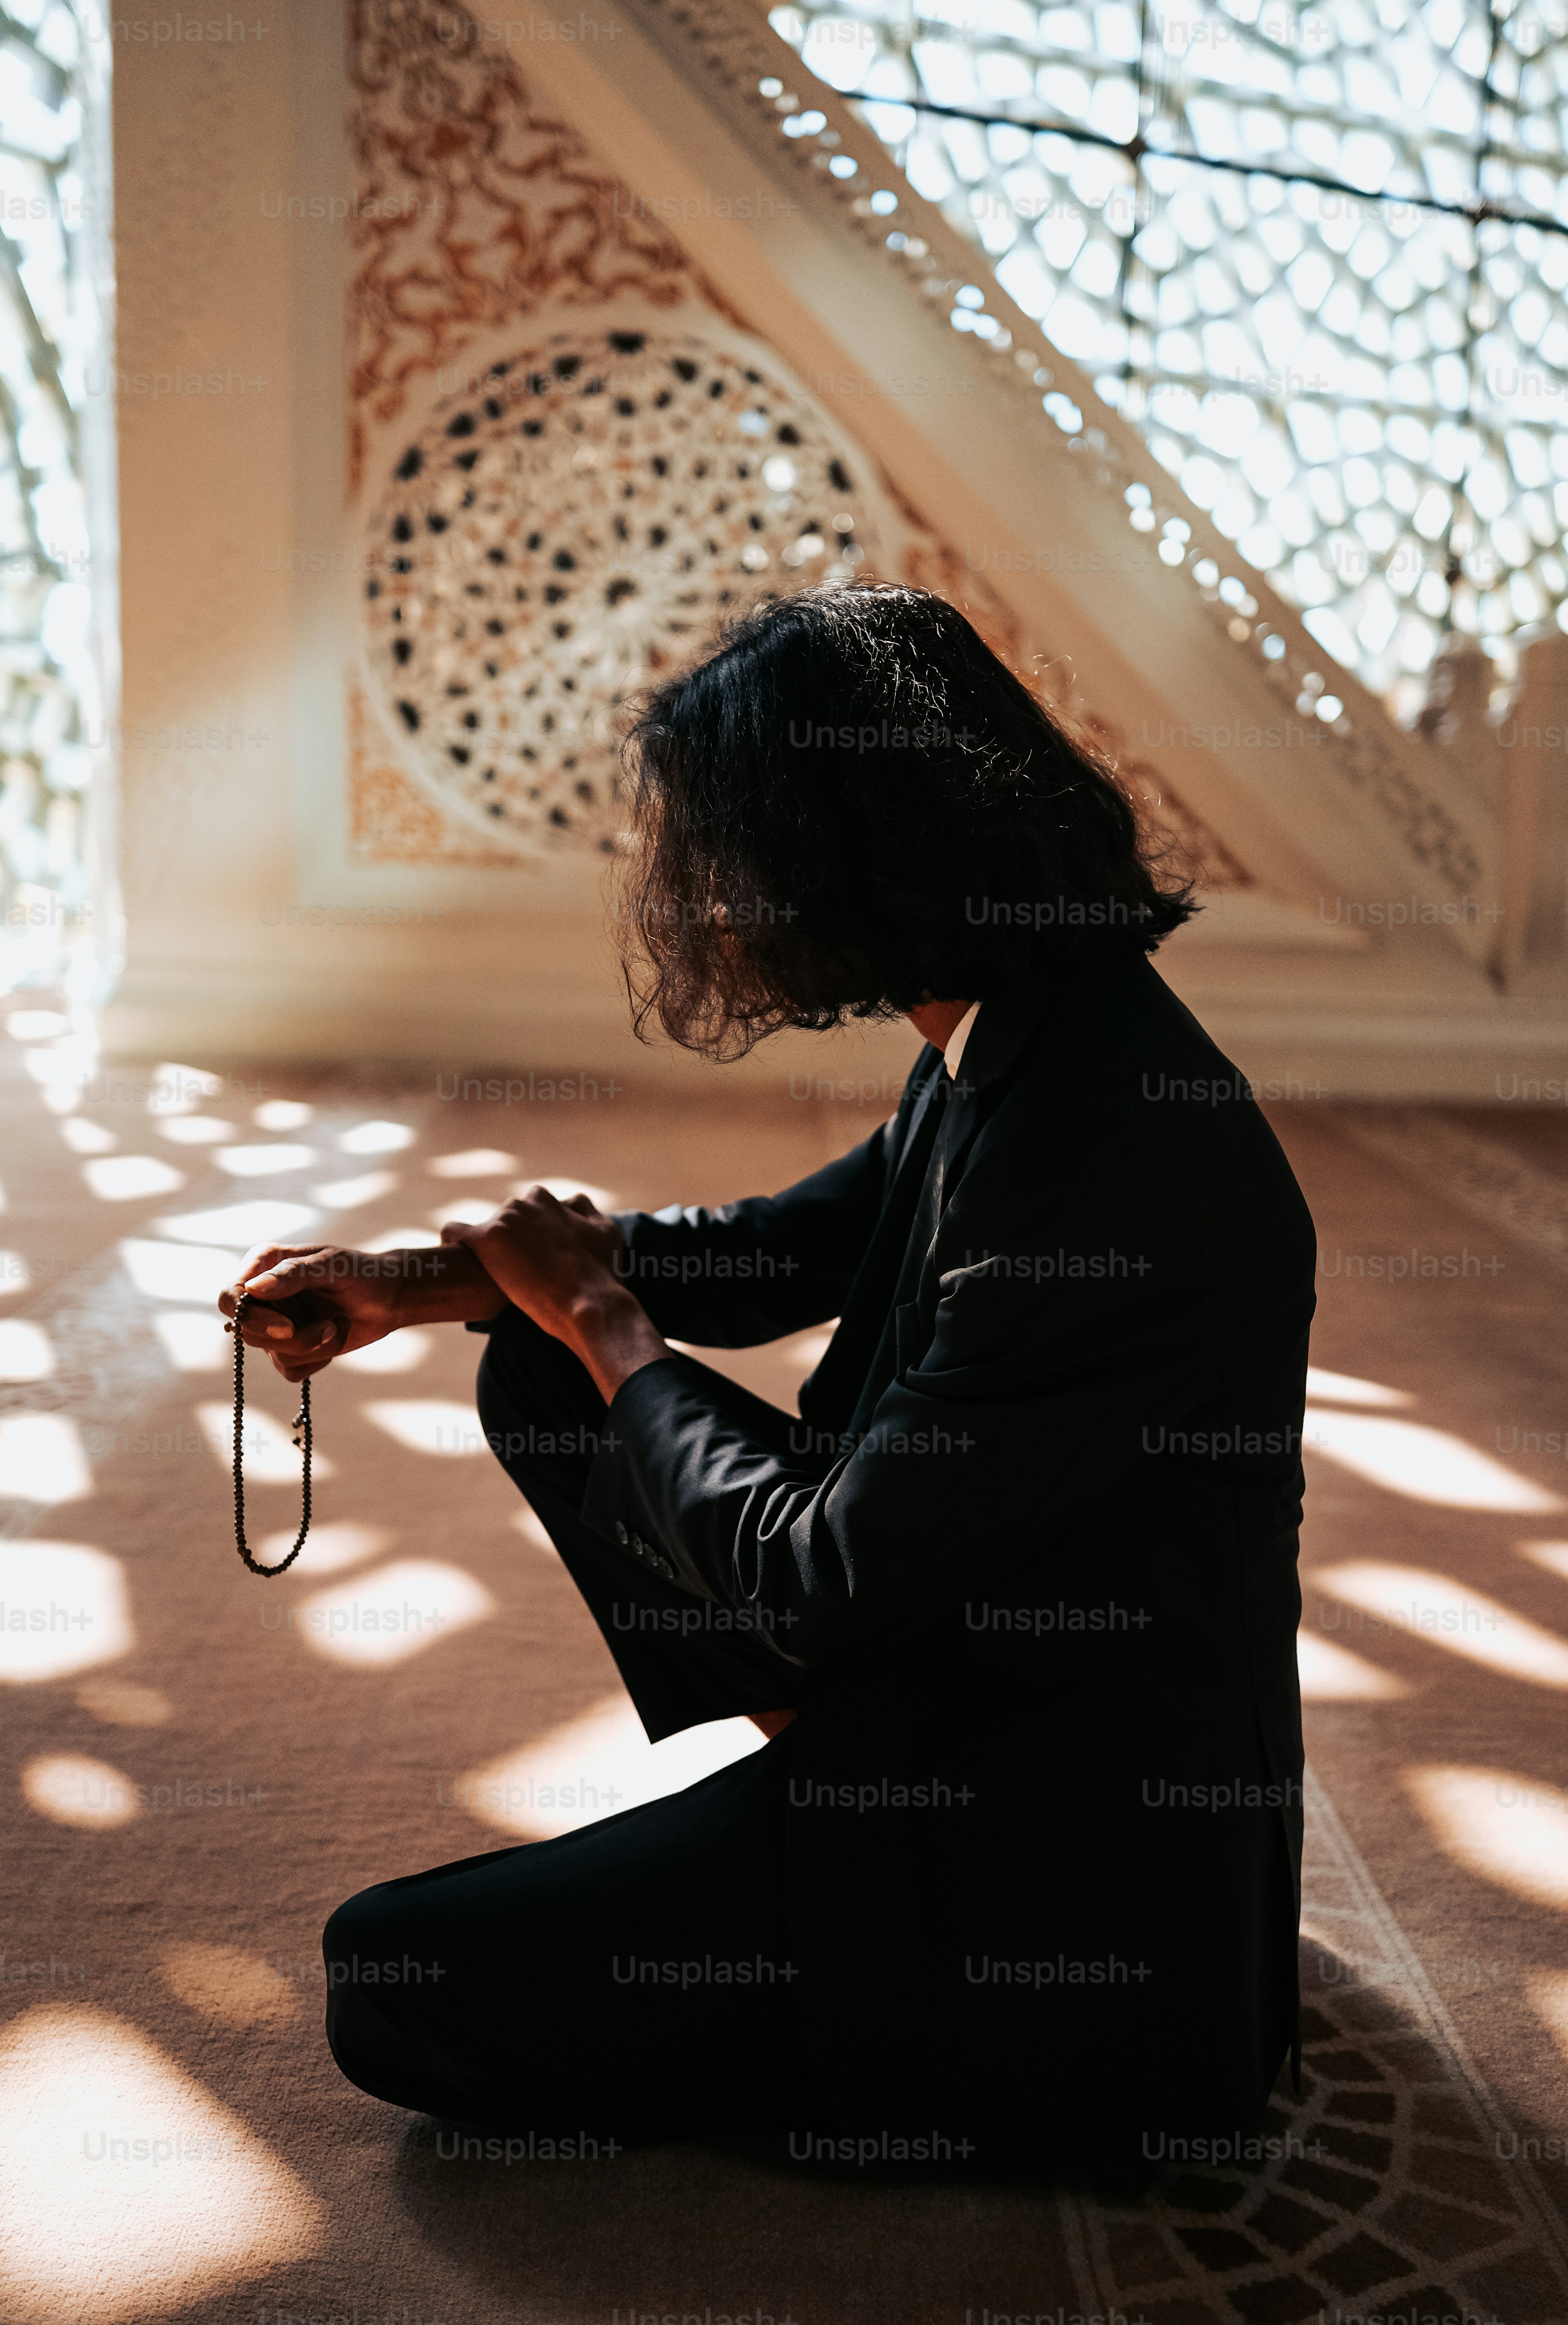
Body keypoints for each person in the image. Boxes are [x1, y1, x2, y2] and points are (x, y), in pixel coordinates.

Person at [221, 581, 1315, 2176]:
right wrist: (420, 1280)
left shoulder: (1096, 1157)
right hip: (966, 1686)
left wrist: (603, 1317)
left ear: (837, 857)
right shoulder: (1027, 1026)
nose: (707, 897)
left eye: (726, 854)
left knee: (393, 1977)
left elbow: (818, 1576)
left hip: (1049, 1890)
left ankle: (906, 2000)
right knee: (542, 1359)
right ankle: (826, 1810)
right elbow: (785, 1244)